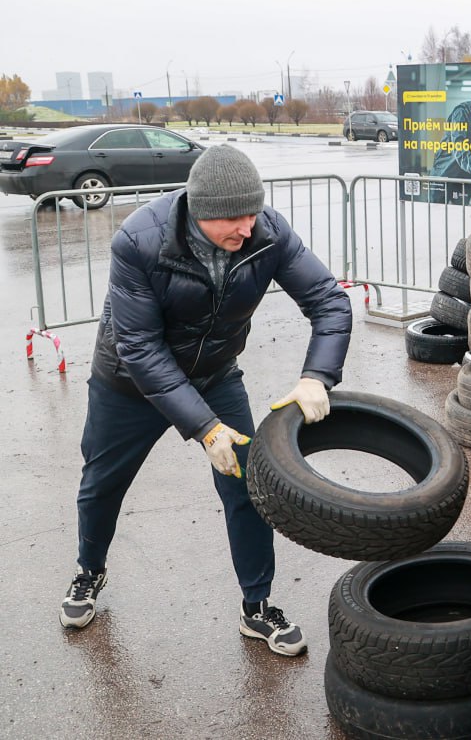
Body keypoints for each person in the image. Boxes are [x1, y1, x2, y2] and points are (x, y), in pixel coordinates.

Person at [59, 144, 353, 657]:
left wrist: (316, 377)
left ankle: (256, 608)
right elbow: (141, 347)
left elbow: (329, 300)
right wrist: (203, 427)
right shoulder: (139, 241)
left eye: (253, 213)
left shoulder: (269, 233)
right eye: (232, 219)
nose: (246, 228)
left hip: (215, 373)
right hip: (128, 382)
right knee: (102, 484)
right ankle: (89, 570)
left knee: (248, 486)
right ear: (199, 211)